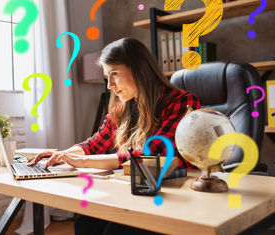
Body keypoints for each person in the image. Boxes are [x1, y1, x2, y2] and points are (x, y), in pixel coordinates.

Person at [28, 37, 200, 235]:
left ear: (139, 70)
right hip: (139, 191)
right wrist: (63, 155)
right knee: (85, 224)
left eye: (114, 74)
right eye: (107, 77)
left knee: (115, 232)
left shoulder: (182, 101)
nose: (109, 85)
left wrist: (84, 161)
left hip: (176, 194)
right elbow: (93, 144)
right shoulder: (122, 108)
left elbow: (149, 156)